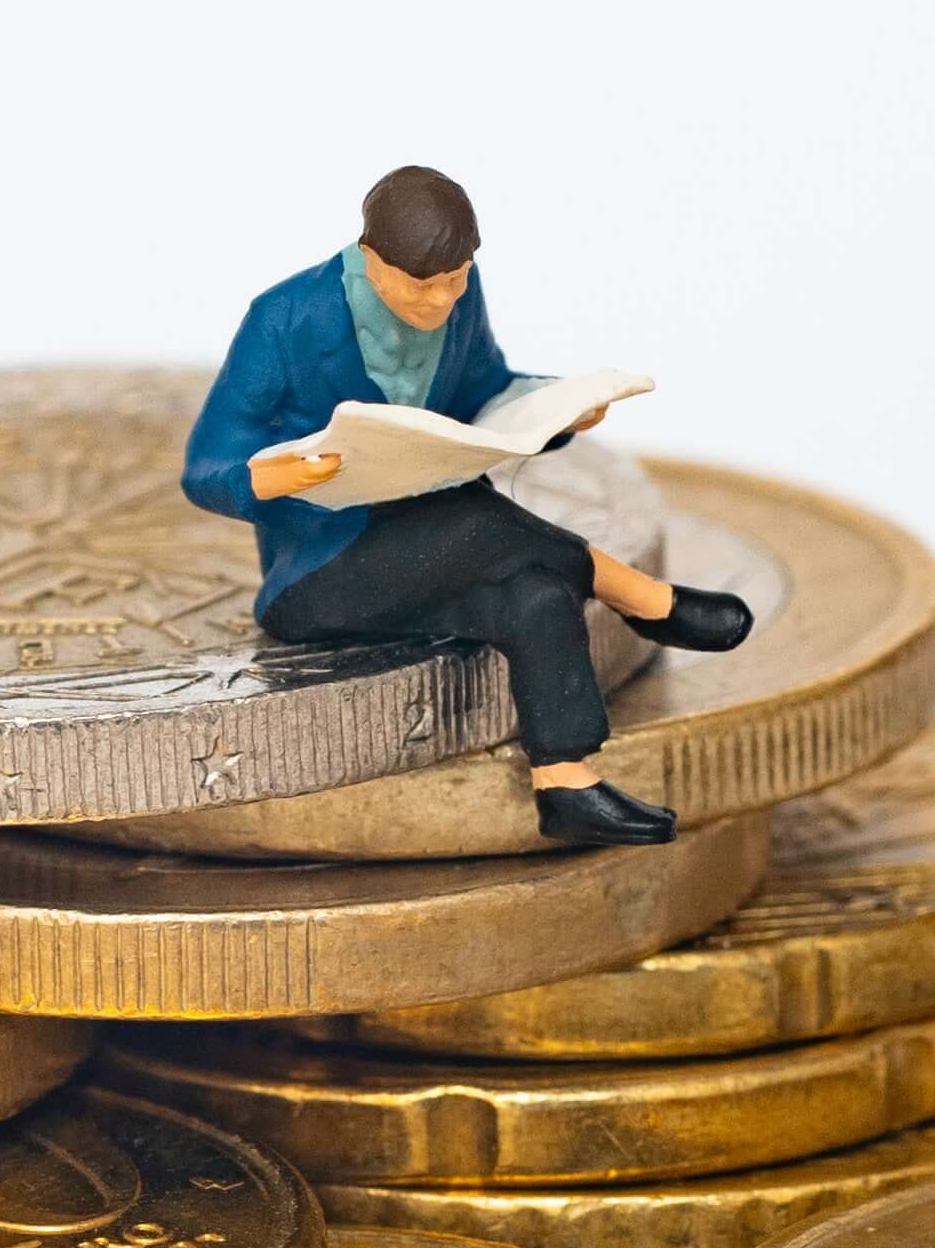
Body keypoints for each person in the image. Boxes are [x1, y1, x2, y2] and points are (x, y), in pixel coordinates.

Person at [180, 166, 751, 846]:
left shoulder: (459, 291)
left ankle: (564, 782)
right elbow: (206, 462)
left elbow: (486, 388)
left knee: (536, 592)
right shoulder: (285, 316)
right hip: (322, 572)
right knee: (474, 523)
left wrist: (557, 409)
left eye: (456, 278)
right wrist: (270, 479)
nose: (441, 300)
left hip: (439, 542)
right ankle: (646, 600)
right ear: (369, 260)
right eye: (422, 284)